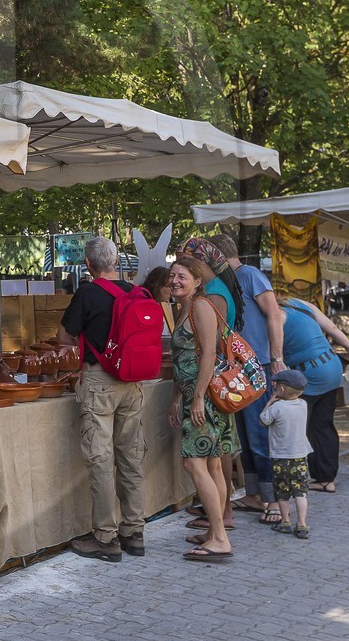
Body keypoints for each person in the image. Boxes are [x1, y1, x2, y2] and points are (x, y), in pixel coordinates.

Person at [55, 237, 146, 563]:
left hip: (100, 382)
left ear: (88, 264)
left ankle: (106, 538)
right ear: (117, 260)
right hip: (133, 382)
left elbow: (64, 336)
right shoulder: (134, 292)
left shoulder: (88, 293)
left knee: (101, 459)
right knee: (131, 456)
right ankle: (134, 532)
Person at [209, 234, 285, 522]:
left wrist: (276, 359)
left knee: (259, 434)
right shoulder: (229, 281)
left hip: (257, 366)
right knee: (245, 436)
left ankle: (276, 500)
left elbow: (274, 316)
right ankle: (255, 495)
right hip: (237, 369)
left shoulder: (250, 274)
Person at [167, 255, 237, 563]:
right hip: (198, 395)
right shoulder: (184, 309)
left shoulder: (200, 306)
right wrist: (176, 396)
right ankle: (215, 531)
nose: (175, 281)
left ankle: (220, 537)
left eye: (182, 276)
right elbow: (186, 358)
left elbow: (209, 355)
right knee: (211, 466)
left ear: (198, 282)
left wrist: (195, 398)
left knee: (194, 465)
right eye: (172, 276)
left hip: (205, 399)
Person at [277, 296, 349, 492]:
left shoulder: (277, 316)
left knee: (297, 428)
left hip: (311, 373)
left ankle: (293, 480)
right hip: (332, 367)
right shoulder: (300, 303)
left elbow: (275, 354)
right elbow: (332, 329)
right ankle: (326, 479)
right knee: (322, 424)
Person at [259, 370, 311, 539]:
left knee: (282, 490)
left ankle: (285, 522)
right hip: (300, 455)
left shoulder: (277, 407)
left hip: (281, 457)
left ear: (281, 389)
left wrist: (270, 401)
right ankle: (302, 524)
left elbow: (262, 420)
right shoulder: (303, 404)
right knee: (300, 491)